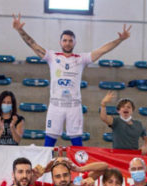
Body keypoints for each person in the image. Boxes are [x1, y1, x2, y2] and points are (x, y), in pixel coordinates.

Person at [12, 14, 131, 147]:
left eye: (70, 40)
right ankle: (47, 161)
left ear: (74, 42)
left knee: (77, 141)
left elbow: (102, 50)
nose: (67, 43)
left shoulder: (81, 58)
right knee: (49, 140)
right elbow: (33, 44)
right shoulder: (52, 56)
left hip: (74, 106)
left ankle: (78, 161)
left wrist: (120, 40)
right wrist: (20, 30)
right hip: (55, 105)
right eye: (65, 40)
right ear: (60, 42)